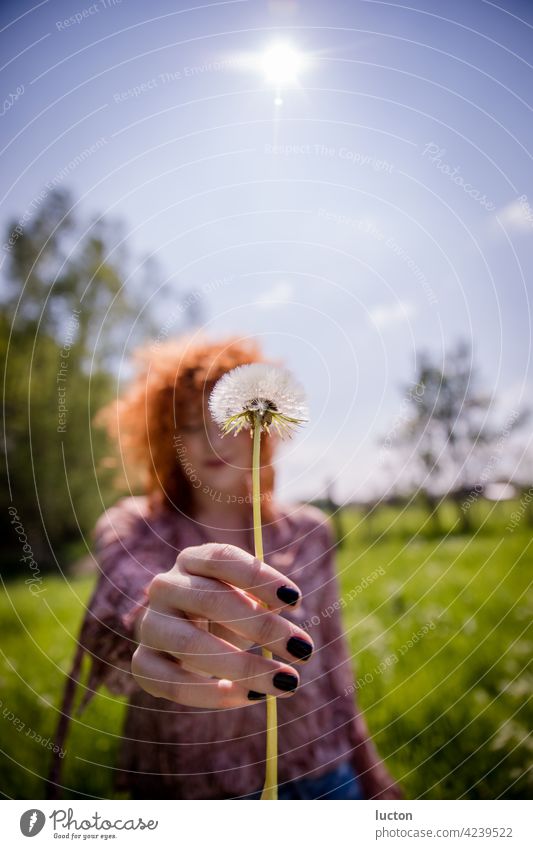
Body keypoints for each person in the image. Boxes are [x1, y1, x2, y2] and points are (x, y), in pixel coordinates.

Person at [47, 334, 403, 801]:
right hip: (192, 789)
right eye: (192, 425)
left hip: (324, 774)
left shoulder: (311, 532)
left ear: (265, 426)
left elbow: (334, 666)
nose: (212, 439)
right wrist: (158, 616)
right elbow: (128, 595)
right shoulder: (135, 525)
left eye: (226, 419)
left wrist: (370, 770)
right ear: (167, 437)